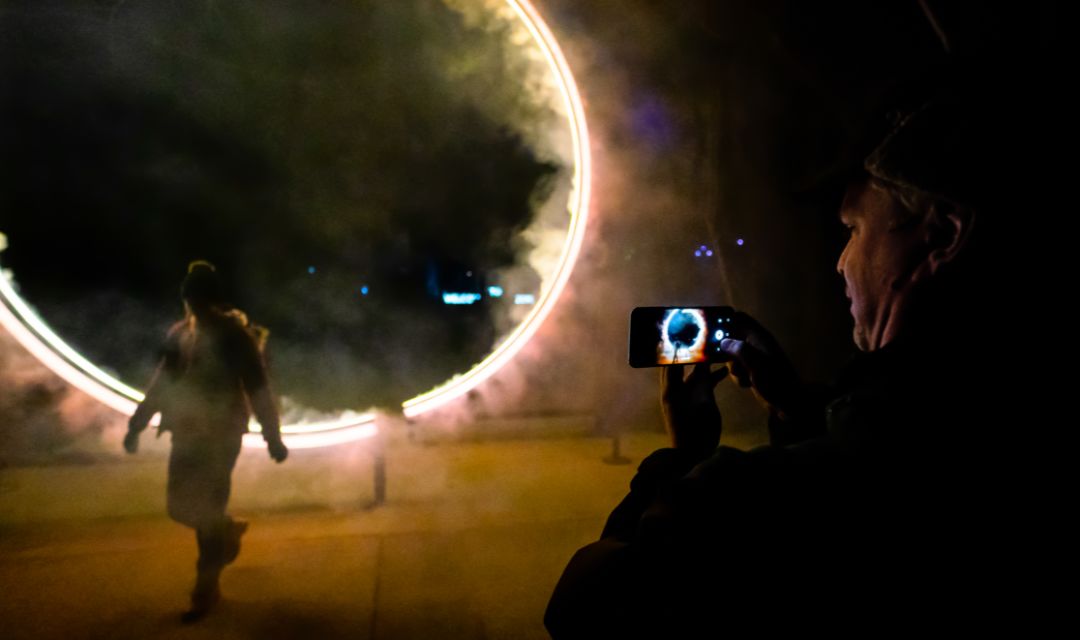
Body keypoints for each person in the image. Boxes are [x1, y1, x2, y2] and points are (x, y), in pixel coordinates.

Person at [545, 90, 1006, 635]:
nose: (840, 263)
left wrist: (680, 461)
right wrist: (800, 411)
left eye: (853, 230)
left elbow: (581, 609)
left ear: (944, 236)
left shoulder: (738, 506)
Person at [124, 260, 289, 622]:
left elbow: (258, 386)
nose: (193, 305)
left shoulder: (234, 337)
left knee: (207, 509)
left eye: (198, 298)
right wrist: (137, 424)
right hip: (187, 431)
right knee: (180, 507)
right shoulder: (180, 334)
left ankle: (205, 589)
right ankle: (226, 533)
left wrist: (272, 435)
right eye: (189, 298)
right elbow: (161, 384)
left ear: (210, 299)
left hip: (222, 433)